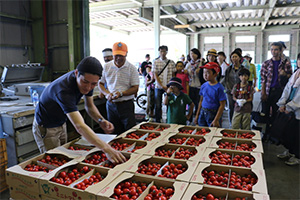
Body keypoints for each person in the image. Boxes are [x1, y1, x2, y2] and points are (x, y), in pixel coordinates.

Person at [32, 56, 126, 163]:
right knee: (54, 161)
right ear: (76, 73)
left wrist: (101, 120)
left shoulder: (88, 81)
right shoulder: (64, 90)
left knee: (63, 157)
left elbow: (89, 106)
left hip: (61, 122)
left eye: (94, 84)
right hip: (47, 125)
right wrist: (107, 149)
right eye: (85, 82)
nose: (88, 87)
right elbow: (79, 126)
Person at [99, 42, 139, 135]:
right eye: (116, 55)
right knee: (113, 131)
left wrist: (121, 94)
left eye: (121, 55)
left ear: (126, 54)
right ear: (113, 54)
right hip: (111, 105)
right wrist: (107, 94)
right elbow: (100, 83)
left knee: (129, 132)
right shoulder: (106, 67)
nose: (118, 58)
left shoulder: (131, 68)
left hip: (126, 105)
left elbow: (135, 88)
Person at [260, 42, 292, 139]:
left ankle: (273, 135)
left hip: (279, 92)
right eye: (272, 49)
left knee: (275, 113)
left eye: (276, 49)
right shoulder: (266, 63)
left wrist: (285, 74)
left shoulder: (285, 63)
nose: (274, 52)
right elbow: (263, 79)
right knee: (265, 113)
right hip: (268, 91)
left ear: (281, 50)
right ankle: (264, 134)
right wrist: (263, 92)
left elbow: (291, 76)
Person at [275, 68, 300, 165]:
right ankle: (290, 152)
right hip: (289, 109)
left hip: (297, 109)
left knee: (298, 135)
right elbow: (286, 89)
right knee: (290, 133)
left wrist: (289, 107)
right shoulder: (296, 74)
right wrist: (282, 103)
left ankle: (297, 156)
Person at [194, 62, 227, 127]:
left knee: (213, 133)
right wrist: (197, 115)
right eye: (204, 72)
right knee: (202, 132)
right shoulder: (203, 86)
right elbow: (201, 101)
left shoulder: (219, 88)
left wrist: (216, 120)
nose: (205, 75)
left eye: (208, 73)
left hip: (213, 114)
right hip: (203, 112)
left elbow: (222, 105)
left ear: (215, 74)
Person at [153, 45, 176, 123]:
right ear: (159, 52)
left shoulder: (171, 62)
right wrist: (161, 85)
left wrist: (171, 85)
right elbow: (155, 75)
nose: (162, 53)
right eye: (161, 51)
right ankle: (158, 120)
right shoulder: (155, 62)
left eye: (164, 51)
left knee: (169, 103)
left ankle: (169, 119)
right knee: (158, 104)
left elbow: (173, 75)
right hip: (158, 87)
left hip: (169, 86)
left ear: (167, 52)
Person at [221, 50, 246, 123]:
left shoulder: (243, 69)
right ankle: (231, 124)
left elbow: (246, 79)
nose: (234, 58)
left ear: (239, 58)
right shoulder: (228, 69)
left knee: (240, 108)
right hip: (229, 92)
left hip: (240, 91)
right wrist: (227, 89)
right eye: (232, 57)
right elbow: (225, 80)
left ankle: (239, 124)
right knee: (231, 108)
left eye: (236, 57)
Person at [185, 48, 203, 123]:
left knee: (198, 104)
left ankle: (198, 119)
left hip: (199, 86)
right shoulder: (188, 64)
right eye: (191, 53)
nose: (192, 55)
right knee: (190, 103)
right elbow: (185, 73)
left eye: (194, 53)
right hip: (191, 86)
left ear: (197, 55)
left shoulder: (201, 63)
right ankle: (190, 119)